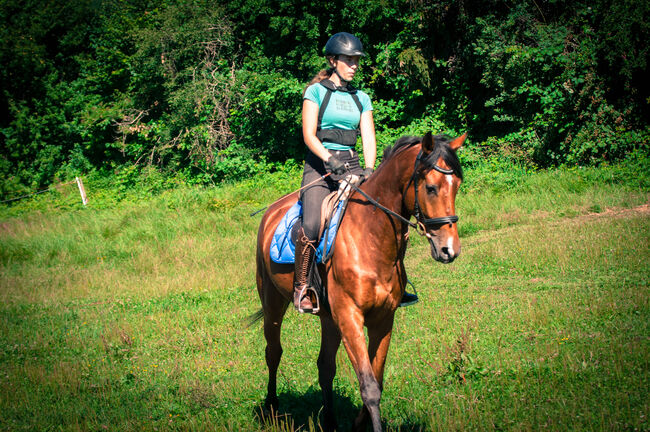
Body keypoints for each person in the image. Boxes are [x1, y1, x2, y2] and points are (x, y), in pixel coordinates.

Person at [294, 32, 418, 313]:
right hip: (319, 168)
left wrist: (370, 170)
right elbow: (309, 135)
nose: (354, 65)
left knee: (391, 220)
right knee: (312, 224)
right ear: (333, 60)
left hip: (352, 167)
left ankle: (398, 281)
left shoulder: (362, 98)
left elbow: (368, 138)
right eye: (348, 60)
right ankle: (304, 287)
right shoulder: (315, 92)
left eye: (356, 60)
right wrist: (329, 158)